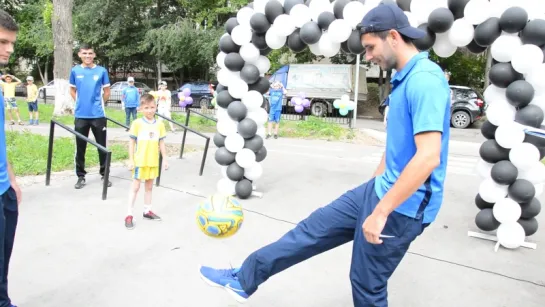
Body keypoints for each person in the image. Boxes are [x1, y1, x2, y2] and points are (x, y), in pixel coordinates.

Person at [199, 3, 451, 306]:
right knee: (310, 230)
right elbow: (397, 144)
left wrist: (381, 210)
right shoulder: (403, 77)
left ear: (393, 36)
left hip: (404, 208)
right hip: (381, 190)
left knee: (366, 283)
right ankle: (245, 279)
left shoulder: (425, 80)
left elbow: (428, 157)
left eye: (371, 48)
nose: (368, 56)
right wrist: (371, 190)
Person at [0, 9, 22, 307]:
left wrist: (12, 178)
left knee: (3, 260)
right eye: (3, 42)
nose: (9, 49)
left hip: (4, 189)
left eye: (12, 43)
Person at [69, 43, 112, 189]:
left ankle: (104, 174)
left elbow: (107, 92)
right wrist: (80, 103)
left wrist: (98, 105)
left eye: (90, 53)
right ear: (80, 55)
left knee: (102, 146)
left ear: (94, 55)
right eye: (84, 53)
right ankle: (80, 176)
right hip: (81, 116)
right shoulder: (75, 70)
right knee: (80, 147)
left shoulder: (101, 71)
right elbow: (72, 90)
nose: (87, 56)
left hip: (98, 116)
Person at [125, 94, 168, 230]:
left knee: (149, 187)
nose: (150, 110)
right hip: (140, 161)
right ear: (141, 109)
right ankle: (129, 214)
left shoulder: (160, 124)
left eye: (152, 107)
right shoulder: (137, 123)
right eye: (146, 108)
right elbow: (131, 142)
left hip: (153, 161)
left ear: (156, 107)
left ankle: (147, 210)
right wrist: (131, 159)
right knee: (136, 187)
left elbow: (161, 142)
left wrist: (165, 159)